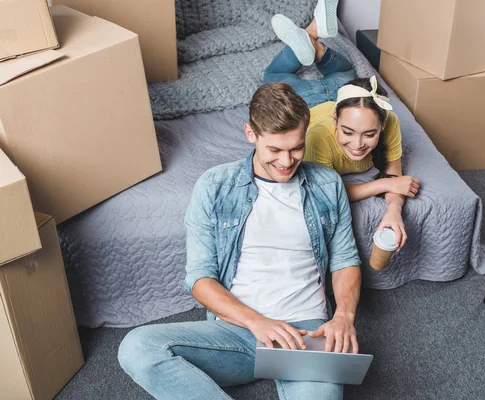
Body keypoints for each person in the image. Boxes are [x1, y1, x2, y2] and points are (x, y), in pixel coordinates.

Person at [117, 81, 362, 400]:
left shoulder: (327, 184)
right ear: (251, 134)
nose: (287, 161)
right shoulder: (215, 185)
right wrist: (257, 322)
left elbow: (345, 261)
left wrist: (344, 316)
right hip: (236, 330)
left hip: (306, 332)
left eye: (296, 148)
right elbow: (200, 279)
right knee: (137, 348)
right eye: (274, 150)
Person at [265, 0, 420, 250]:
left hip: (342, 92)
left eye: (369, 134)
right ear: (336, 121)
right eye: (348, 132)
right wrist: (382, 184)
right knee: (270, 79)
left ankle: (312, 36)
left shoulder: (390, 120)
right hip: (308, 97)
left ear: (382, 125)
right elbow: (327, 191)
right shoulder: (317, 137)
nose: (358, 145)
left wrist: (394, 210)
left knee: (346, 72)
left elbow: (396, 176)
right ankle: (313, 39)